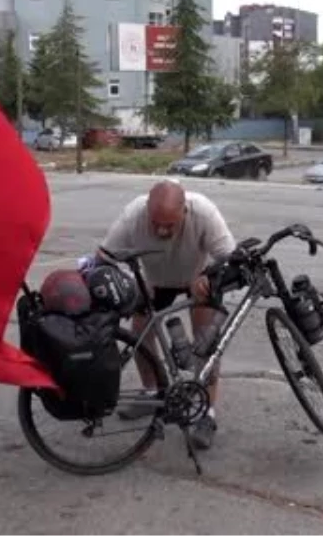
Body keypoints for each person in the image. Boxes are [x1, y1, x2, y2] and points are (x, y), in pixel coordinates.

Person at [95, 179, 235, 450]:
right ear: (147, 208)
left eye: (169, 225)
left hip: (197, 278)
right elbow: (103, 257)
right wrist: (125, 283)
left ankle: (206, 414)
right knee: (140, 334)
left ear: (185, 211)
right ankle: (151, 392)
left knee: (206, 343)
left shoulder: (204, 212)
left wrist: (209, 276)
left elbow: (230, 257)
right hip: (155, 281)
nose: (161, 229)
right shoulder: (134, 214)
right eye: (155, 222)